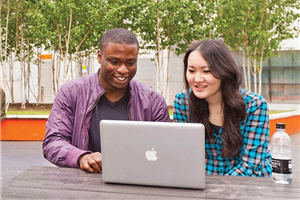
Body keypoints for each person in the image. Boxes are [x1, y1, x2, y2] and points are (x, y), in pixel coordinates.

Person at [43, 28, 170, 173]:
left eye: (130, 63)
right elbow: (52, 142)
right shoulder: (71, 92)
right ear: (99, 56)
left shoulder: (154, 102)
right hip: (81, 186)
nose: (123, 70)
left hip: (136, 185)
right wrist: (81, 157)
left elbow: (165, 151)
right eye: (114, 62)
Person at [173, 39, 272, 177]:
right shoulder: (183, 102)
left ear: (224, 71)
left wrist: (216, 190)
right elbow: (184, 155)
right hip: (204, 185)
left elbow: (250, 165)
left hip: (250, 185)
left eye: (206, 71)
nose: (197, 78)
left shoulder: (254, 105)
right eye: (191, 71)